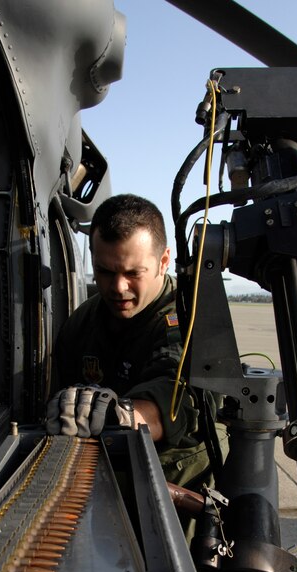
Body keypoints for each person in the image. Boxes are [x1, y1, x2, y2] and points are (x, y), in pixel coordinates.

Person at [46, 193, 224, 489]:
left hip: (179, 491)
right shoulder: (81, 324)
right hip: (100, 481)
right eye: (105, 271)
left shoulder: (190, 319)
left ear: (164, 261)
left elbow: (178, 391)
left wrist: (124, 415)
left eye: (133, 273)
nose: (118, 287)